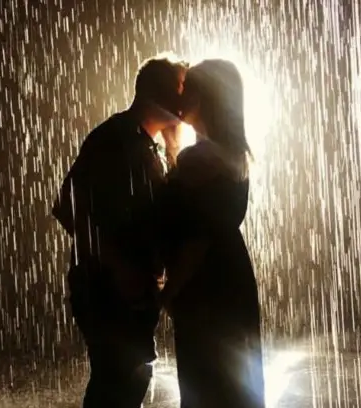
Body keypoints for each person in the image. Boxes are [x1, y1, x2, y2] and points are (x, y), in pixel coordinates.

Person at [52, 54, 188, 408]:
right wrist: (118, 266)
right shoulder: (114, 137)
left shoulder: (147, 143)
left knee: (129, 378)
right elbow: (68, 206)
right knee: (119, 382)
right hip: (105, 289)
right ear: (157, 93)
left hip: (126, 289)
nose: (186, 101)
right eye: (180, 90)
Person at [158, 59, 266, 408]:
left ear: (204, 98)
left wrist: (169, 291)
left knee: (204, 382)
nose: (179, 97)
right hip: (233, 276)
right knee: (236, 383)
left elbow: (196, 236)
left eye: (187, 89)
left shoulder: (198, 158)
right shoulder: (235, 155)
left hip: (206, 284)